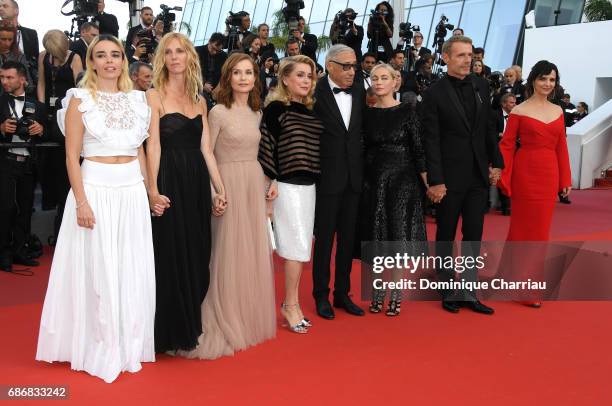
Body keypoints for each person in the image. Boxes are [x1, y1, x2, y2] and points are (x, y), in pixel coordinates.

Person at [36, 34, 155, 383]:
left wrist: (151, 192)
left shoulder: (138, 100)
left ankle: (129, 340)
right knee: (98, 268)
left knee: (129, 265)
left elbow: (142, 152)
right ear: (91, 62)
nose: (109, 61)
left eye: (115, 55)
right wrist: (82, 201)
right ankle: (98, 342)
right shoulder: (79, 99)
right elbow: (71, 156)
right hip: (96, 189)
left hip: (131, 190)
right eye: (101, 55)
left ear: (123, 60)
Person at [181, 53, 276, 358]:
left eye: (249, 72)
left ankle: (245, 314)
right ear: (228, 77)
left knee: (249, 251)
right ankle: (222, 316)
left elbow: (265, 153)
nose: (244, 78)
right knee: (225, 251)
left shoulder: (259, 113)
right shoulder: (218, 112)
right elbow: (205, 152)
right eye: (237, 72)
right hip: (227, 184)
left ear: (255, 78)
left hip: (253, 183)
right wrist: (214, 190)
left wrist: (271, 181)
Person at [145, 33, 220, 354]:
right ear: (162, 58)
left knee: (197, 250)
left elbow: (206, 149)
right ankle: (167, 332)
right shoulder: (153, 96)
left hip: (196, 182)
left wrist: (219, 188)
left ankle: (190, 322)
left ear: (190, 57)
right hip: (169, 180)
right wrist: (152, 189)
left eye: (181, 52)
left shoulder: (201, 100)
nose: (175, 57)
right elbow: (153, 145)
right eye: (169, 52)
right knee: (169, 252)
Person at [421, 35, 503, 315]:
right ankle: (446, 289)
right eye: (461, 55)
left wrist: (496, 162)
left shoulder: (481, 86)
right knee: (445, 233)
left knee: (474, 235)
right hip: (448, 176)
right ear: (445, 58)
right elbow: (430, 139)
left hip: (478, 174)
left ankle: (469, 290)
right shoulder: (434, 93)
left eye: (470, 55)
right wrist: (436, 179)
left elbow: (488, 130)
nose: (469, 60)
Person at [498, 61, 571, 308]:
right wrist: (502, 175)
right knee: (521, 230)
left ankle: (517, 281)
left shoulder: (558, 111)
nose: (547, 84)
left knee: (540, 233)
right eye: (543, 79)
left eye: (551, 80)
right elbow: (507, 145)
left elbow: (561, 146)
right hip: (525, 172)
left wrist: (565, 178)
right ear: (533, 81)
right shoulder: (518, 110)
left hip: (548, 174)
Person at [258, 55, 322, 333]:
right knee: (295, 248)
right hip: (285, 187)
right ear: (285, 78)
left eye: (309, 76)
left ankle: (291, 302)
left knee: (302, 247)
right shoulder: (275, 110)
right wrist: (267, 189)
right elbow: (266, 150)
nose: (306, 80)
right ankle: (290, 304)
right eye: (300, 75)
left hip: (310, 188)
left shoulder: (313, 111)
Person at [358, 63, 427, 316]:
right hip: (374, 180)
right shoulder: (367, 114)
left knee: (397, 237)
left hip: (403, 180)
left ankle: (396, 293)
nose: (378, 82)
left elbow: (419, 150)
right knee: (376, 237)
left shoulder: (409, 111)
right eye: (374, 78)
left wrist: (429, 183)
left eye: (383, 78)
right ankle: (377, 291)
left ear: (394, 82)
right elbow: (362, 149)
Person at [312, 44, 365, 319]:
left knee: (347, 240)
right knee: (324, 241)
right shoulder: (315, 92)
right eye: (345, 66)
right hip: (326, 178)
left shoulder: (358, 90)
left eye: (354, 66)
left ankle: (342, 293)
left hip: (354, 178)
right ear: (329, 65)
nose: (351, 71)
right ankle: (321, 295)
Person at [37, 29, 83, 238]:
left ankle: (63, 222)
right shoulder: (42, 56)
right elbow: (41, 83)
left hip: (68, 114)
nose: (53, 55)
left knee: (66, 162)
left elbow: (80, 87)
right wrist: (41, 108)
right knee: (51, 164)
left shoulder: (74, 58)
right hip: (48, 112)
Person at [0, 61, 46, 272]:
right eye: (2, 77)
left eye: (9, 78)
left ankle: (20, 251)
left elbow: (53, 131)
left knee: (25, 209)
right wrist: (1, 128)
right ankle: (3, 254)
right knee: (6, 208)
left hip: (28, 164)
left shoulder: (37, 106)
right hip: (5, 162)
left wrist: (41, 129)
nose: (4, 82)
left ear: (22, 79)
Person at [0, 0, 38, 83]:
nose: (1, 8)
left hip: (26, 86)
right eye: (0, 6)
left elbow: (35, 60)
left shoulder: (31, 34)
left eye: (5, 6)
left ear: (16, 11)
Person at [493, 93, 516, 216]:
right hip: (498, 150)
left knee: (510, 177)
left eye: (515, 102)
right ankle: (505, 206)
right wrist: (499, 134)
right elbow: (489, 132)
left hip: (513, 150)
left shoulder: (517, 115)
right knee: (502, 176)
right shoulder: (494, 115)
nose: (514, 105)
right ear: (503, 104)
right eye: (512, 102)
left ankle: (508, 205)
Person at [195, 33, 227, 107]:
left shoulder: (223, 56)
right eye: (213, 48)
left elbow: (224, 74)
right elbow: (191, 71)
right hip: (197, 89)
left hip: (215, 93)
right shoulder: (197, 51)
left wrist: (218, 88)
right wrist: (202, 84)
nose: (215, 52)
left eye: (218, 50)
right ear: (209, 41)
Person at [0, 21, 31, 87]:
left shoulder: (19, 56)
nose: (7, 43)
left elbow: (30, 86)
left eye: (10, 39)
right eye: (3, 39)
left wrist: (21, 82)